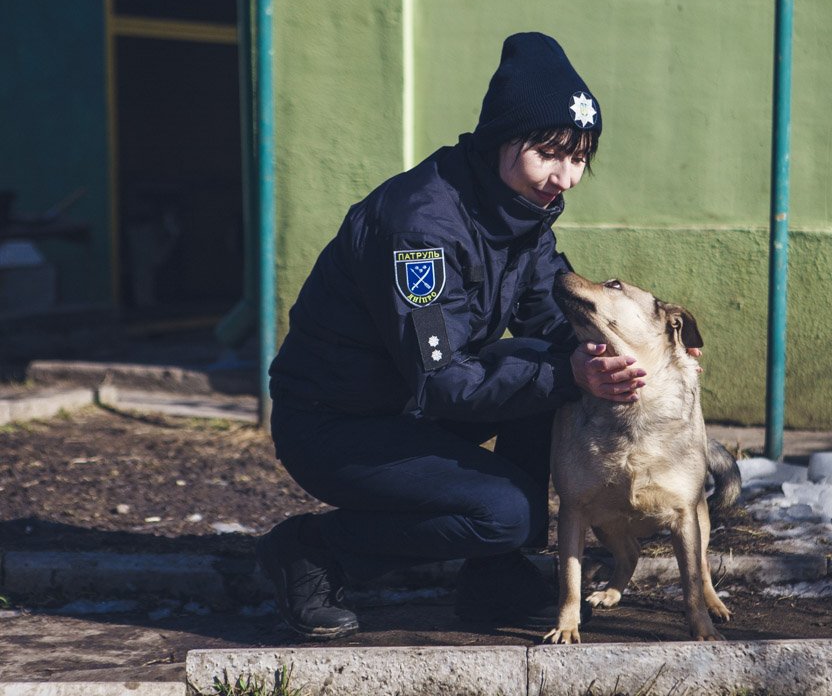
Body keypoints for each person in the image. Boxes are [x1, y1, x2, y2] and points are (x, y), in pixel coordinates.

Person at [257, 32, 684, 641]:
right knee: (506, 511)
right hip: (336, 426)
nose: (565, 176)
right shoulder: (421, 229)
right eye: (550, 153)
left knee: (553, 357)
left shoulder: (522, 209)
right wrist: (571, 374)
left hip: (408, 407)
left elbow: (552, 319)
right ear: (501, 138)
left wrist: (647, 355)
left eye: (580, 157)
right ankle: (312, 552)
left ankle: (493, 581)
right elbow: (445, 379)